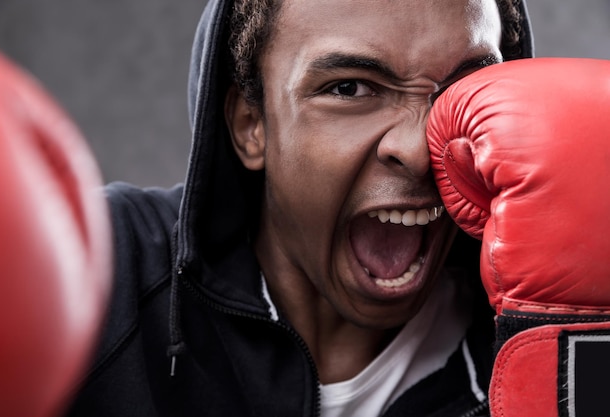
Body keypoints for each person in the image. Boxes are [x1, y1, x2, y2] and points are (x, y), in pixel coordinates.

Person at [60, 0, 534, 416]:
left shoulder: (546, 325)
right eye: (349, 89)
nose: (416, 149)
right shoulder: (96, 270)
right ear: (251, 125)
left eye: (465, 89)